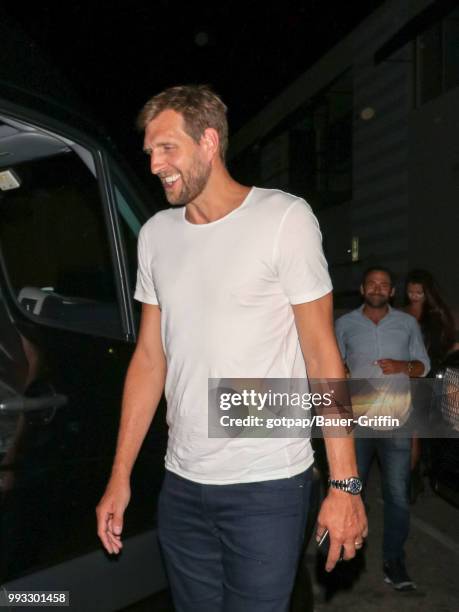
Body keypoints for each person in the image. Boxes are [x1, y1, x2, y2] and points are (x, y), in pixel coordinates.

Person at [96, 84, 367, 612]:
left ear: (209, 142)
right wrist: (120, 476)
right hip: (181, 485)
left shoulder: (282, 219)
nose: (155, 165)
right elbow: (151, 358)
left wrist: (345, 483)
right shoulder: (155, 235)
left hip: (265, 486)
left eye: (167, 148)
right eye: (149, 151)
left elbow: (321, 354)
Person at [335, 267, 430, 592]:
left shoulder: (407, 324)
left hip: (397, 424)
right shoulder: (345, 324)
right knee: (348, 490)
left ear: (392, 293)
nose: (377, 288)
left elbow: (424, 366)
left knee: (397, 497)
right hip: (357, 424)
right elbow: (333, 366)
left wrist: (404, 366)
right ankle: (346, 555)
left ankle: (393, 559)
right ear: (363, 288)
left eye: (384, 285)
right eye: (372, 283)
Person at [403, 269, 456, 501]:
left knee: (418, 432)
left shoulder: (436, 316)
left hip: (429, 378)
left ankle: (416, 477)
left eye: (419, 292)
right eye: (411, 291)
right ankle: (411, 479)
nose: (414, 295)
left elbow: (450, 344)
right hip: (406, 377)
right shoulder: (400, 314)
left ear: (428, 293)